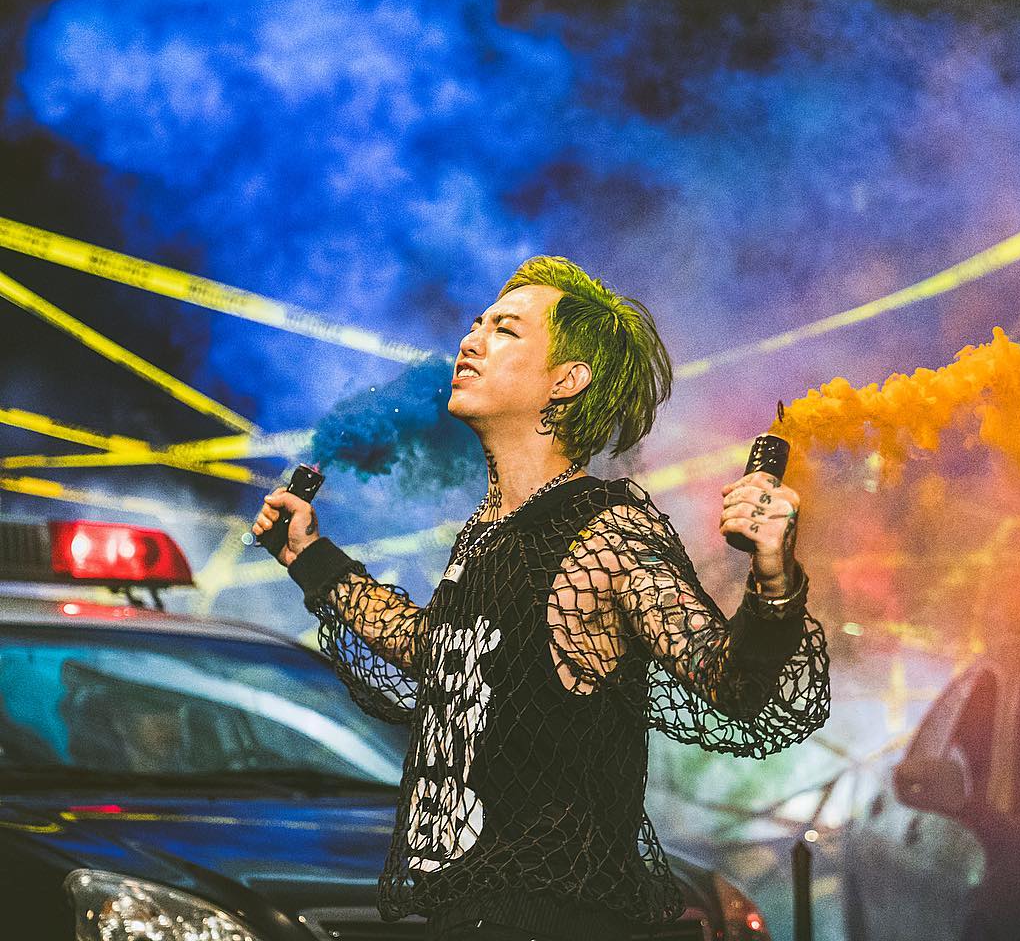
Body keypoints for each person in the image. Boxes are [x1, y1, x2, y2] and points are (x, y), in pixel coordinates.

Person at [251, 256, 831, 941]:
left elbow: (734, 681)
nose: (471, 341)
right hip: (469, 917)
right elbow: (442, 655)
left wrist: (773, 577)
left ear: (567, 380)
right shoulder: (488, 533)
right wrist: (310, 557)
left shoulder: (603, 533)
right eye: (476, 325)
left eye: (505, 330)